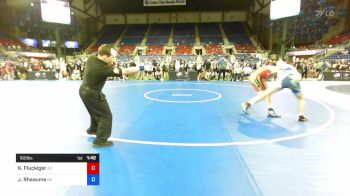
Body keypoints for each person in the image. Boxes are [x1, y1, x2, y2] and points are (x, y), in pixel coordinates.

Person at [80, 44, 143, 147]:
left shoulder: (93, 57)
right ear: (105, 57)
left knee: (95, 111)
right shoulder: (101, 69)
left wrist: (111, 62)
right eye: (112, 57)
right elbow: (125, 71)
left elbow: (107, 61)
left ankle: (93, 129)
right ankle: (100, 140)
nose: (114, 59)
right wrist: (141, 67)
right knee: (106, 116)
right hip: (92, 93)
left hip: (84, 90)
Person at [241, 59, 308, 122]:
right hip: (292, 80)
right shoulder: (285, 68)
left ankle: (250, 104)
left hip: (279, 81)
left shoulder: (282, 67)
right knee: (301, 98)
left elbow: (277, 68)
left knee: (266, 93)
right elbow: (278, 67)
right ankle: (301, 116)